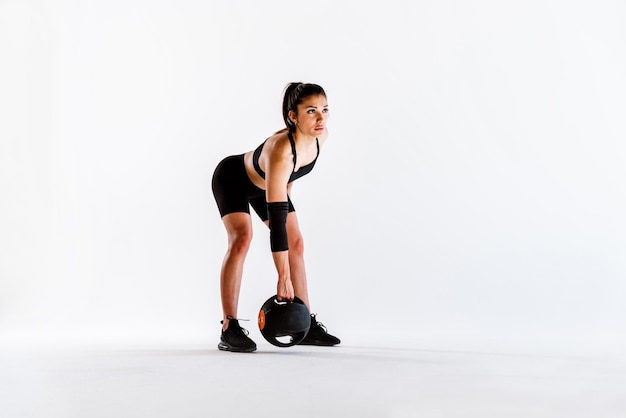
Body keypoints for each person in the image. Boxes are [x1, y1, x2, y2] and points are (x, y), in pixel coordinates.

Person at [211, 82, 341, 352]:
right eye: (311, 111)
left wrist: (285, 189)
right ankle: (229, 327)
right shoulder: (282, 150)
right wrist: (283, 278)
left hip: (268, 185)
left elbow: (290, 177)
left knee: (298, 243)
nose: (321, 118)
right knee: (242, 239)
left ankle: (304, 323)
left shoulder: (320, 137)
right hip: (233, 179)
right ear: (293, 116)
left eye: (325, 110)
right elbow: (277, 225)